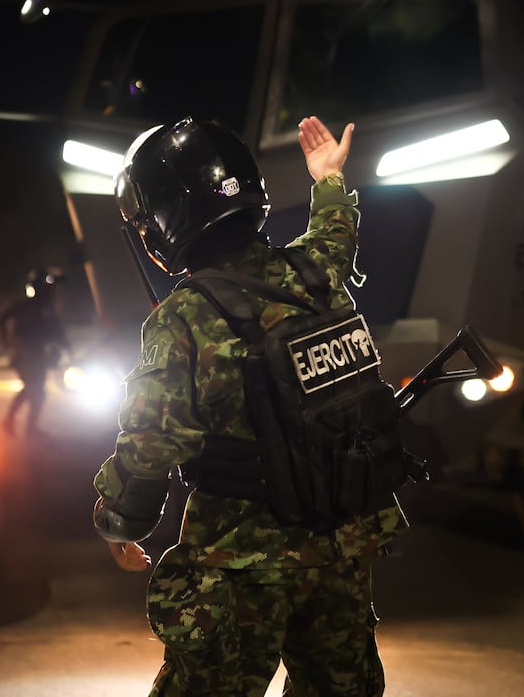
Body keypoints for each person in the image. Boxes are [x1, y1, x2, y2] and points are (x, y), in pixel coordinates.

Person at [93, 115, 409, 696]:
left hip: (240, 567)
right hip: (339, 551)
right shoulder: (314, 278)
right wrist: (329, 180)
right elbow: (336, 236)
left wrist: (120, 522)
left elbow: (151, 447)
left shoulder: (184, 318)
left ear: (163, 224)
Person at [0, 267, 70, 438]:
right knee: (36, 389)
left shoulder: (43, 306)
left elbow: (56, 329)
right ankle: (28, 428)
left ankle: (15, 422)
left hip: (35, 351)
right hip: (27, 352)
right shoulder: (28, 306)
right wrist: (7, 341)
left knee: (32, 388)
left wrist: (63, 346)